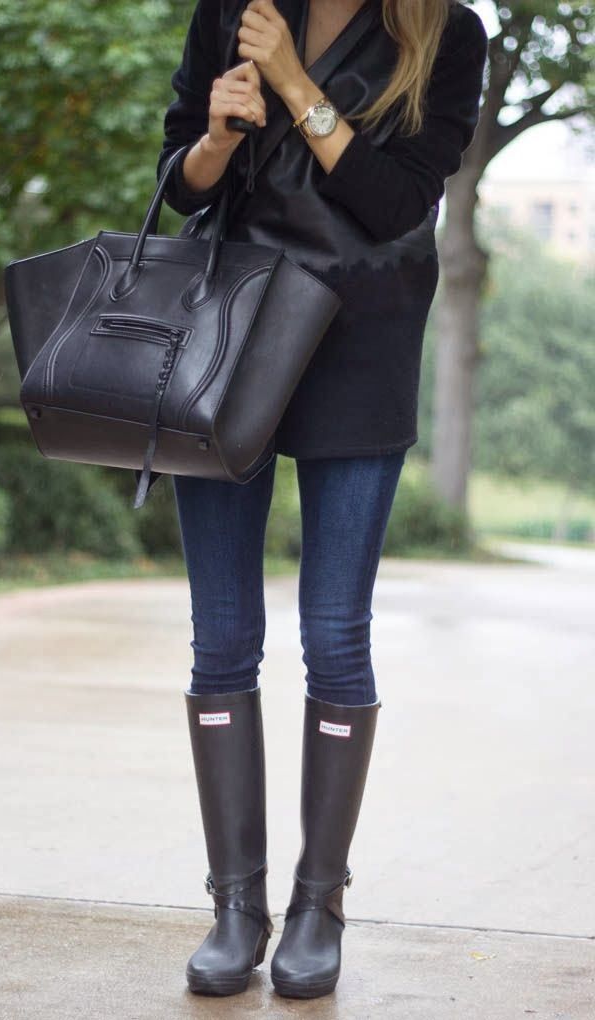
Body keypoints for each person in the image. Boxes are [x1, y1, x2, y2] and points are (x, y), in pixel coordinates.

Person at [155, 0, 488, 1000]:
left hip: (361, 344)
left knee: (336, 634)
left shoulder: (447, 34)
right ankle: (234, 906)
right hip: (230, 336)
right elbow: (178, 186)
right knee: (221, 637)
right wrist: (217, 137)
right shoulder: (236, 9)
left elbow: (396, 205)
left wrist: (296, 85)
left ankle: (316, 903)